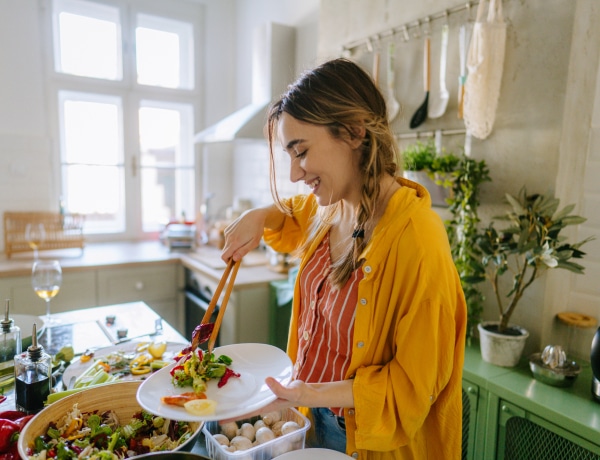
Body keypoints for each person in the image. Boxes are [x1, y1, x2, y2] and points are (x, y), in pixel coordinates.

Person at [221, 58, 467, 460]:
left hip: (367, 441)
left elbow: (411, 386)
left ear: (353, 132)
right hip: (310, 419)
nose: (295, 174)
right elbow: (294, 213)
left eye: (300, 152)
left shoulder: (419, 241)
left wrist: (306, 392)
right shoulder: (333, 209)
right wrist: (258, 215)